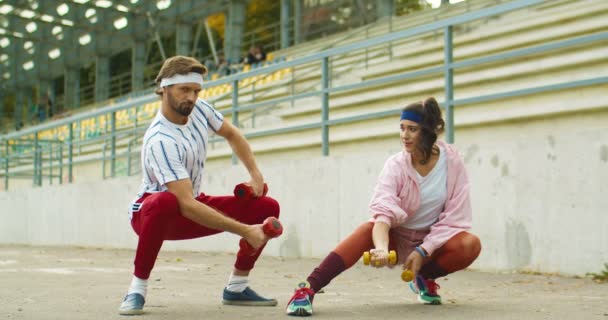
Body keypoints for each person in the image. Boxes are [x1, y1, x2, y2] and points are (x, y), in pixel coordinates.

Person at [285, 97, 482, 316]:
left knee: (469, 244)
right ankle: (307, 288)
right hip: (396, 238)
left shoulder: (453, 162)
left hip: (431, 241)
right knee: (365, 230)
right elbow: (383, 212)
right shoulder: (396, 165)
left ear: (427, 132)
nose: (404, 135)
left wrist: (423, 250)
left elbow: (455, 217)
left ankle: (423, 278)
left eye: (412, 129)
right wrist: (380, 248)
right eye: (402, 128)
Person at [118, 56, 280, 315]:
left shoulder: (200, 109)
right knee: (165, 201)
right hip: (154, 213)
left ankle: (237, 287)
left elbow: (232, 134)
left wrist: (255, 174)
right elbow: (185, 204)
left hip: (191, 202)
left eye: (196, 90)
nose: (191, 97)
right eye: (185, 90)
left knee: (267, 206)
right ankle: (136, 289)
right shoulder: (160, 139)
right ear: (164, 88)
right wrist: (245, 231)